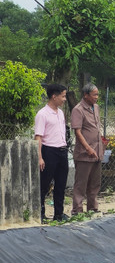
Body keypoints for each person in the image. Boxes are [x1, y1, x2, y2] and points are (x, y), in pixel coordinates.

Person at [34, 83, 69, 222]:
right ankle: (40, 214)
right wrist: (40, 157)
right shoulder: (42, 114)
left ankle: (58, 214)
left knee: (61, 184)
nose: (64, 99)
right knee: (44, 185)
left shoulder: (60, 112)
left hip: (62, 151)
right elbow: (38, 137)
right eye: (63, 96)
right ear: (54, 96)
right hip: (49, 151)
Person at [71, 83, 104, 215]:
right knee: (81, 184)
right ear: (86, 95)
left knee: (95, 184)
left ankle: (92, 209)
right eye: (94, 94)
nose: (97, 97)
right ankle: (77, 210)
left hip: (97, 151)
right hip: (85, 154)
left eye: (97, 94)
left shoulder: (96, 107)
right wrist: (88, 148)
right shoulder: (78, 110)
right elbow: (78, 132)